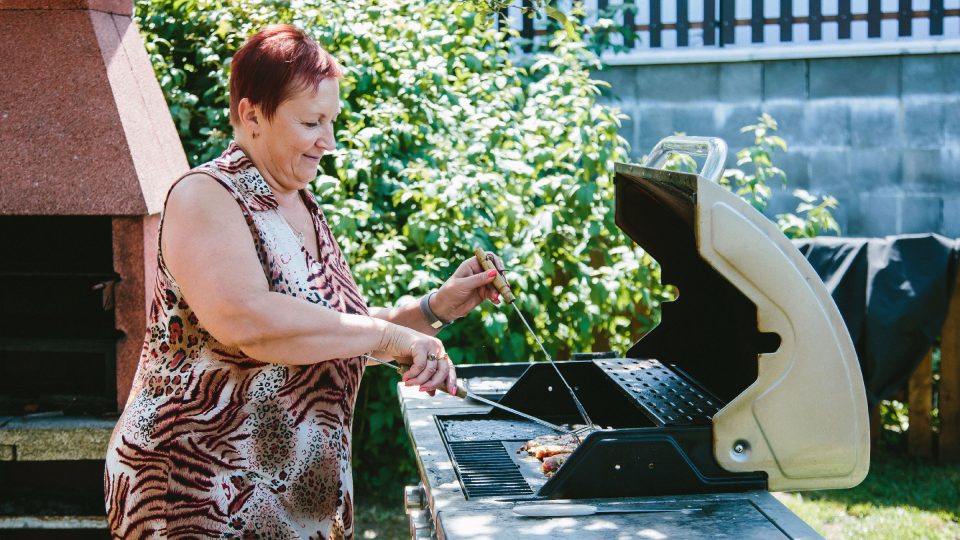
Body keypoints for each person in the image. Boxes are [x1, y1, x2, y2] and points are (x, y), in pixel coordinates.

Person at [104, 24, 503, 539]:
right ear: (251, 115)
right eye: (312, 121)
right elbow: (248, 320)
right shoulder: (204, 196)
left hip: (287, 497)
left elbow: (330, 327)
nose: (328, 141)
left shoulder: (299, 202)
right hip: (198, 493)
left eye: (331, 121)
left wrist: (433, 309)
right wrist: (387, 337)